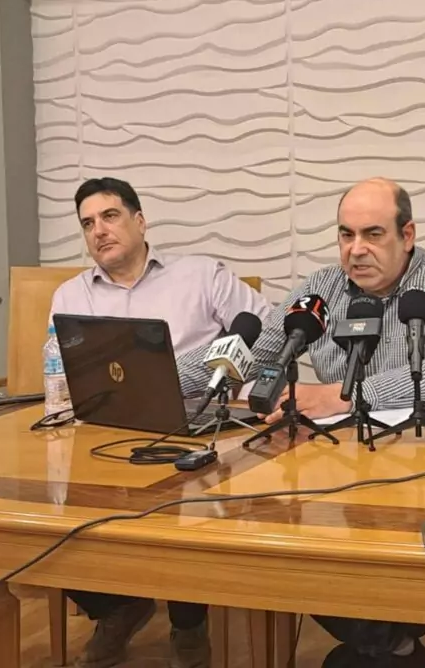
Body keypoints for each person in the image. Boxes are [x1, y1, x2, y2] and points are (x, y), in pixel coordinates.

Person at [178, 177, 425, 668]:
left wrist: (340, 395)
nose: (356, 250)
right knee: (275, 532)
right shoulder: (321, 289)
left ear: (407, 235)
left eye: (373, 234)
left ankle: (384, 641)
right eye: (346, 235)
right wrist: (153, 377)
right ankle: (389, 643)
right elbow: (251, 355)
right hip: (346, 466)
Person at [50, 177, 271, 668]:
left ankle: (188, 622)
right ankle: (116, 607)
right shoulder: (70, 296)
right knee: (47, 510)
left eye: (110, 216)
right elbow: (63, 375)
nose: (99, 230)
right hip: (103, 433)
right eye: (87, 223)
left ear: (140, 221)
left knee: (186, 502)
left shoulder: (200, 275)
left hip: (194, 430)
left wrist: (220, 381)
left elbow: (267, 332)